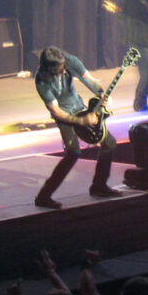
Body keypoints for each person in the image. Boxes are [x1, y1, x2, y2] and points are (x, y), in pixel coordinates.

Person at [33, 47, 119, 209]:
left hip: (78, 107)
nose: (59, 75)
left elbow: (91, 80)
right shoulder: (41, 81)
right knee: (73, 153)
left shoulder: (70, 61)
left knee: (109, 143)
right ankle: (43, 196)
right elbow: (56, 111)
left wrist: (102, 95)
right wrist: (81, 122)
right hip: (64, 116)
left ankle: (99, 186)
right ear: (45, 69)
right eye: (55, 73)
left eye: (61, 71)